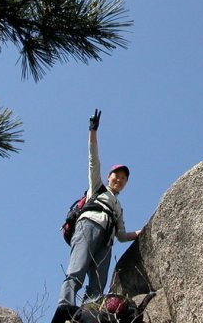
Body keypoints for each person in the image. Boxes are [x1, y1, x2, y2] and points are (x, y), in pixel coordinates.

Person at [51, 109, 141, 323]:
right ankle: (65, 307)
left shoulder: (118, 207)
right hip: (88, 226)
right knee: (76, 271)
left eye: (124, 178)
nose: (120, 180)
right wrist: (93, 131)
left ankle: (88, 313)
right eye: (117, 175)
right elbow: (93, 160)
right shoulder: (98, 188)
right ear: (109, 177)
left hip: (107, 241)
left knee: (98, 283)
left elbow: (121, 235)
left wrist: (141, 232)